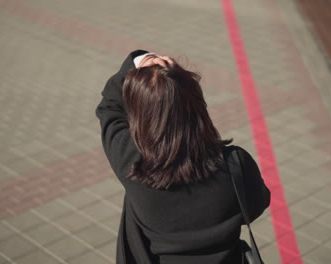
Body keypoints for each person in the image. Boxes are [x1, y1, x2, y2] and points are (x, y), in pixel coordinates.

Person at [95, 50, 270, 264]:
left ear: (139, 116)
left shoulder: (132, 163)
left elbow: (109, 109)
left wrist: (138, 61)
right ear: (198, 106)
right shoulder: (236, 164)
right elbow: (255, 207)